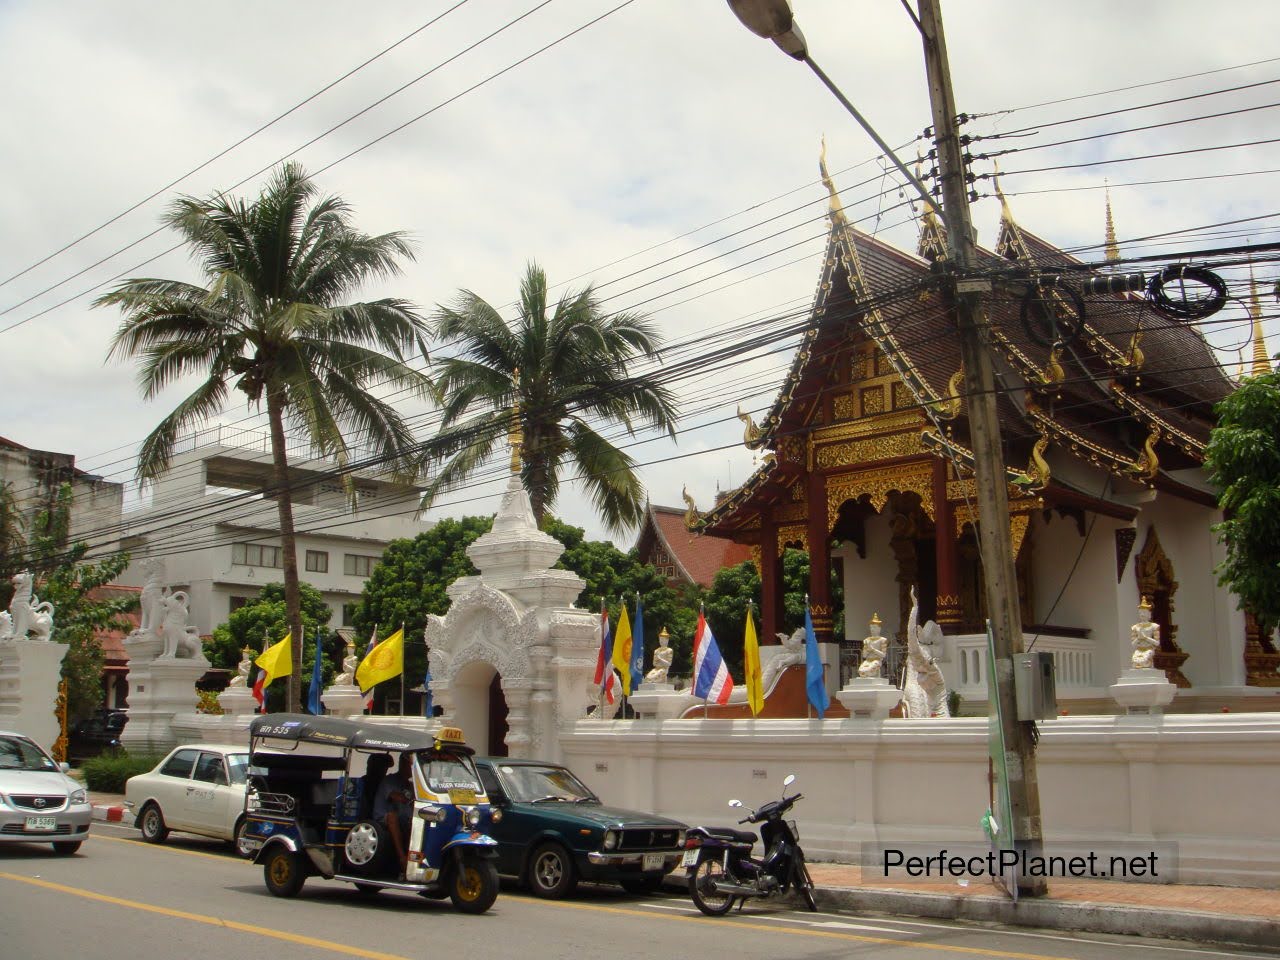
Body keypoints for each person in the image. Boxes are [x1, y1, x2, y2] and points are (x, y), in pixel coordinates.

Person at [373, 753, 414, 877]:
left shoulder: (411, 785)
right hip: (382, 819)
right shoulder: (389, 780)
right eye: (411, 766)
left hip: (403, 819)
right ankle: (402, 858)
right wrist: (411, 799)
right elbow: (396, 796)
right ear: (403, 765)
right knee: (392, 816)